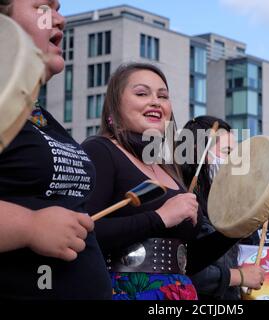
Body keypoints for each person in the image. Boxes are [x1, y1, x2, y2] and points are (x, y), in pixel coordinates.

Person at [82, 63, 239, 300]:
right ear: (114, 106)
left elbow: (187, 260)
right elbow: (84, 231)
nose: (156, 101)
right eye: (142, 93)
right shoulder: (99, 150)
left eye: (163, 96)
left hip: (178, 292)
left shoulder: (168, 167)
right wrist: (160, 217)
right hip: (123, 291)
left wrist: (234, 231)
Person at [0, 0, 112, 299]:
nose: (60, 19)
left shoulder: (38, 116)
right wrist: (28, 226)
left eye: (59, 8)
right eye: (42, 7)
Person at [180, 116, 265, 300]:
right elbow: (182, 268)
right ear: (197, 151)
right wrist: (240, 276)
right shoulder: (183, 200)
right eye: (227, 152)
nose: (233, 161)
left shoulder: (224, 202)